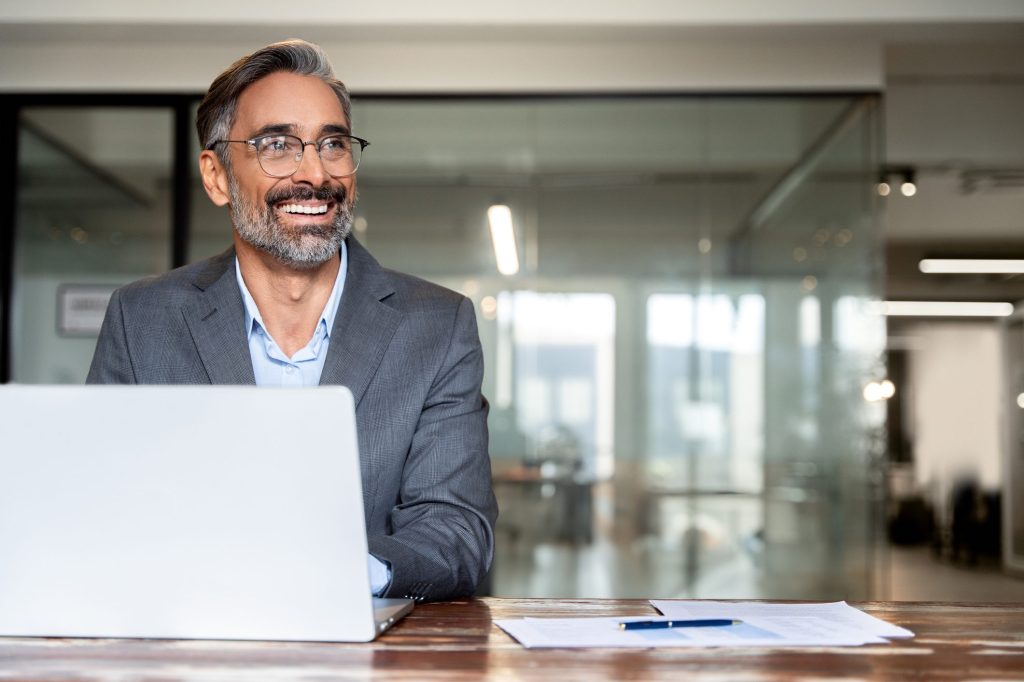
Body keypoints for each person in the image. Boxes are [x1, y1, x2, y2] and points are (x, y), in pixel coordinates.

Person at [87, 40, 497, 603]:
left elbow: (456, 531)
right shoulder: (143, 320)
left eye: (333, 144)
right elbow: (101, 508)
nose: (315, 173)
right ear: (217, 176)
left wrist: (340, 577)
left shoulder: (437, 325)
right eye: (277, 145)